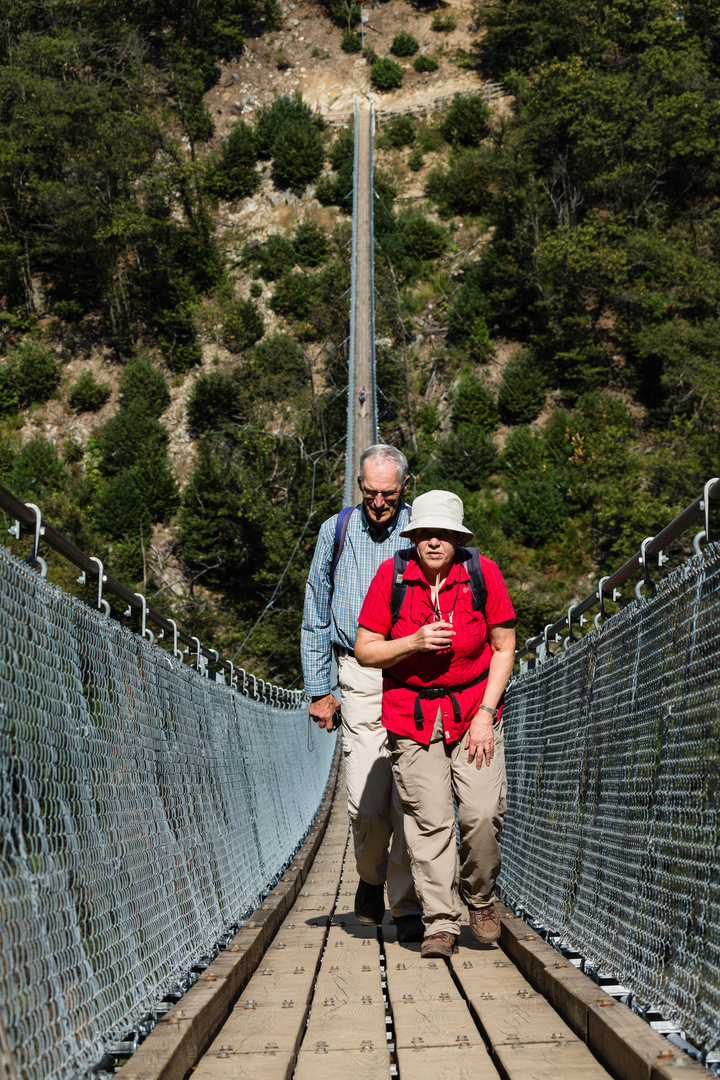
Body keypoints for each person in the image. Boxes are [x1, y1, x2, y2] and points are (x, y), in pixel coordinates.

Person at [354, 489, 516, 959]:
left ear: (458, 539)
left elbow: (504, 648)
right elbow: (367, 650)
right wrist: (413, 642)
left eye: (443, 534)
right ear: (414, 536)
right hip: (412, 714)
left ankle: (480, 898)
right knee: (430, 822)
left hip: (473, 713)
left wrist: (486, 714)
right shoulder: (392, 576)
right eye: (425, 533)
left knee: (482, 813)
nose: (433, 541)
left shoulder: (482, 573)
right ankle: (440, 921)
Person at [301, 445, 424, 941]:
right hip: (359, 674)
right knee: (367, 804)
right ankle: (371, 879)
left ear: (406, 486)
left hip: (419, 674)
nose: (378, 504)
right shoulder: (337, 530)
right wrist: (318, 688)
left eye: (388, 494)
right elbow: (316, 609)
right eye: (369, 493)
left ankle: (407, 901)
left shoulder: (424, 530)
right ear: (359, 486)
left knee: (415, 796)